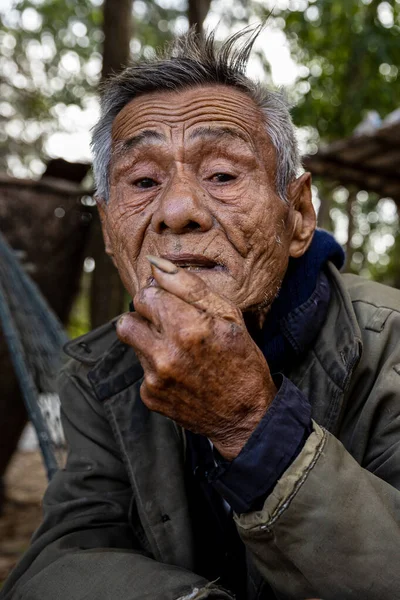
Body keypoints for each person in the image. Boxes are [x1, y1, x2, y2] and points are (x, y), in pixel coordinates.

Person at [2, 26, 400, 600]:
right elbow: (60, 562)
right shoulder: (99, 375)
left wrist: (250, 425)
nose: (179, 211)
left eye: (221, 175)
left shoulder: (389, 347)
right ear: (112, 234)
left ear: (299, 215)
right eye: (143, 180)